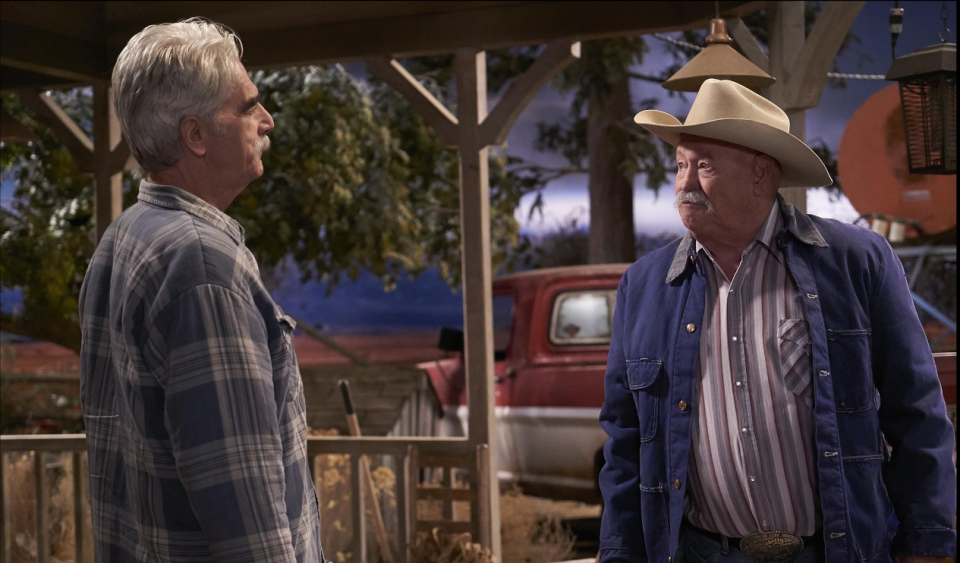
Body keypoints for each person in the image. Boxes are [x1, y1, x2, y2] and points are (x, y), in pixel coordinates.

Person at [598, 79, 956, 563]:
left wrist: (929, 541)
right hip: (702, 553)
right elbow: (624, 443)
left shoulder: (855, 262)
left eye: (704, 166)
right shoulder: (644, 286)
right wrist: (618, 551)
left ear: (760, 175)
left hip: (835, 552)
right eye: (681, 165)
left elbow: (917, 412)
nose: (684, 185)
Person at [79, 18, 323, 563]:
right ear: (195, 135)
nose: (267, 120)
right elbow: (245, 515)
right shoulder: (203, 265)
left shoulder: (124, 238)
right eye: (247, 107)